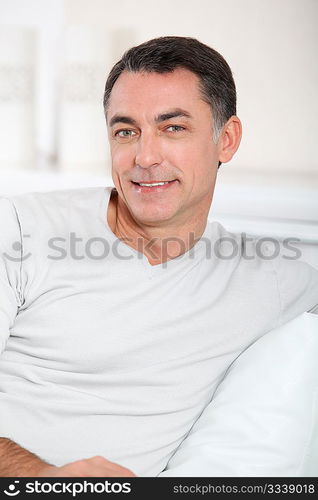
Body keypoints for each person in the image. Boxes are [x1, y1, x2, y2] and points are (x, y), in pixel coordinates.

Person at [0, 36, 317, 478]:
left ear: (226, 140)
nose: (144, 157)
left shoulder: (273, 279)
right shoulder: (19, 229)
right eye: (125, 131)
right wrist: (42, 477)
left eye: (173, 128)